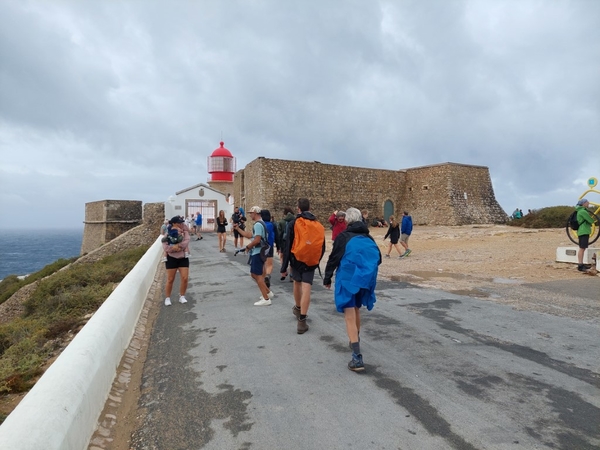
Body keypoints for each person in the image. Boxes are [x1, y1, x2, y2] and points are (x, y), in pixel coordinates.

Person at [323, 207, 382, 372]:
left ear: (348, 220)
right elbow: (379, 259)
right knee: (356, 309)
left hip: (348, 279)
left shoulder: (344, 237)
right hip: (363, 280)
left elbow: (334, 258)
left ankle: (357, 357)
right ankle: (355, 339)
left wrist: (327, 278)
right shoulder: (368, 237)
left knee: (349, 313)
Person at [280, 198, 325, 334]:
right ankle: (302, 321)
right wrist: (316, 260)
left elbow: (288, 246)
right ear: (309, 208)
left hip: (296, 259)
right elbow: (322, 246)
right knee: (307, 288)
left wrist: (284, 268)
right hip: (311, 261)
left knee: (297, 283)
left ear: (298, 208)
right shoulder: (318, 224)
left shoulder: (294, 223)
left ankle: (298, 307)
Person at [234, 206, 274, 306]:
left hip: (257, 252)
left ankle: (266, 298)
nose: (250, 215)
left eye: (251, 213)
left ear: (255, 213)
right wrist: (238, 229)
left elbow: (256, 240)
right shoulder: (261, 224)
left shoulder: (257, 225)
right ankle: (268, 293)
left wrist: (248, 246)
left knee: (257, 275)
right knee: (254, 274)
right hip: (260, 252)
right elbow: (249, 235)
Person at [162, 216, 191, 306]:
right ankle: (167, 298)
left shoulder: (184, 232)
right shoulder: (168, 232)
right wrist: (173, 249)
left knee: (185, 278)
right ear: (174, 223)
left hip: (183, 257)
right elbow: (165, 245)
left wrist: (179, 246)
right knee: (170, 279)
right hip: (171, 258)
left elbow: (187, 241)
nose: (181, 224)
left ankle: (182, 296)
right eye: (179, 222)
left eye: (181, 223)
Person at [575, 198, 594, 272]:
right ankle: (580, 265)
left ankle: (581, 264)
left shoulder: (580, 210)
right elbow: (591, 220)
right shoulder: (583, 211)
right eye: (587, 202)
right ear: (583, 204)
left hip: (582, 231)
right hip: (584, 231)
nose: (588, 203)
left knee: (582, 248)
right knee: (582, 248)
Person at [276, 207, 296, 280]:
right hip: (294, 243)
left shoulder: (282, 222)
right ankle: (291, 275)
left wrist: (278, 245)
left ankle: (284, 270)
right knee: (292, 260)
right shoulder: (295, 221)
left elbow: (279, 234)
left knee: (282, 257)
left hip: (284, 243)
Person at [260, 209, 278, 288]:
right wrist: (278, 246)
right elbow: (277, 236)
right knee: (269, 264)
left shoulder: (259, 224)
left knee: (263, 263)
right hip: (269, 246)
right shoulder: (272, 225)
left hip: (261, 246)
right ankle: (267, 275)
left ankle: (263, 278)